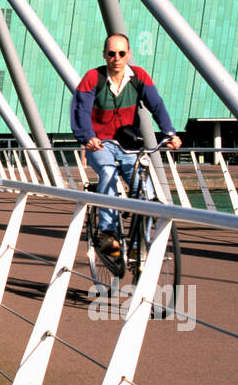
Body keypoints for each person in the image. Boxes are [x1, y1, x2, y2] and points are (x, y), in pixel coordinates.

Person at [70, 33, 181, 256]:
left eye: (122, 53)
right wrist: (87, 137)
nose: (117, 58)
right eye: (112, 53)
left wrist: (170, 133)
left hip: (128, 144)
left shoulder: (138, 76)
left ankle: (139, 244)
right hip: (100, 144)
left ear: (129, 54)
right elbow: (80, 110)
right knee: (108, 172)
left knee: (146, 189)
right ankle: (108, 233)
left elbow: (156, 105)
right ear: (104, 55)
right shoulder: (93, 78)